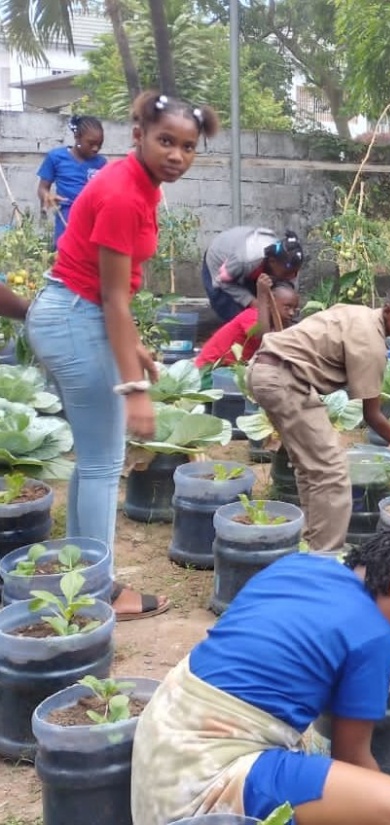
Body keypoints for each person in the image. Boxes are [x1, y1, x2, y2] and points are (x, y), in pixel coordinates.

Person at [25, 91, 219, 621]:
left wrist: (133, 346)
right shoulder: (123, 194)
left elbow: (111, 290)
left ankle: (81, 576)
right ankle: (98, 591)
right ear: (137, 136)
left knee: (93, 460)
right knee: (105, 461)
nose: (177, 155)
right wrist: (134, 389)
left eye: (187, 146)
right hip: (75, 318)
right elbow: (110, 298)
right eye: (165, 142)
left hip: (73, 313)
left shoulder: (141, 185)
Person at [130, 525, 390, 825]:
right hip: (198, 787)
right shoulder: (373, 632)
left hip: (160, 739)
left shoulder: (297, 566)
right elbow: (351, 756)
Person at [248, 281, 390, 552]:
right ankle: (326, 556)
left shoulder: (360, 314)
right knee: (333, 471)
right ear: (388, 311)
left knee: (312, 466)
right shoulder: (371, 344)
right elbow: (372, 415)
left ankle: (315, 544)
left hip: (270, 371)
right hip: (282, 379)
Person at [203, 226, 305, 323]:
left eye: (296, 272)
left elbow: (286, 292)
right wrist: (251, 301)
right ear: (272, 261)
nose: (293, 277)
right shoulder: (246, 260)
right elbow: (223, 282)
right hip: (221, 266)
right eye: (287, 273)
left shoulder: (289, 261)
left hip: (244, 256)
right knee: (239, 316)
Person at [36, 114, 107, 249]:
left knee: (90, 256)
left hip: (92, 218)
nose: (95, 148)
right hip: (66, 216)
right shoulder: (56, 157)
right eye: (91, 143)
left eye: (99, 144)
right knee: (65, 253)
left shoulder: (101, 163)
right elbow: (42, 188)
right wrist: (47, 196)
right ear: (77, 138)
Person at [195, 280, 299, 369]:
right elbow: (264, 337)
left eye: (294, 309)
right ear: (269, 303)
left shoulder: (276, 324)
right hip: (210, 368)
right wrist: (262, 297)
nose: (291, 313)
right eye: (287, 307)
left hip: (232, 368)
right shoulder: (251, 315)